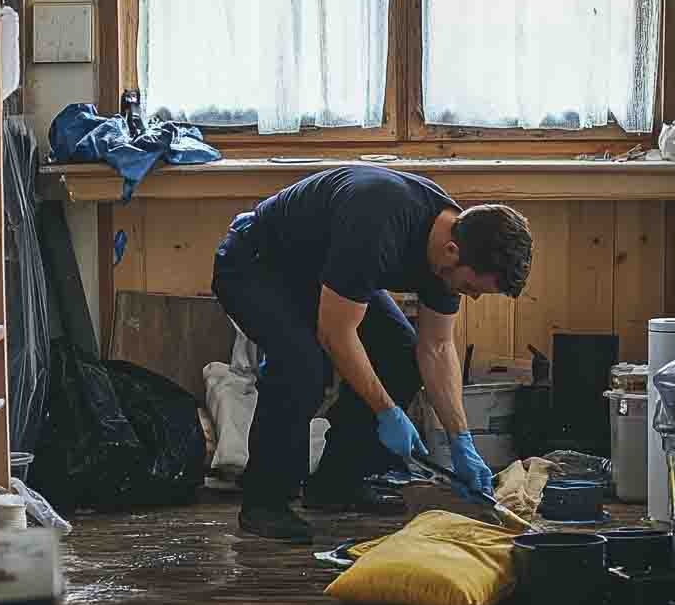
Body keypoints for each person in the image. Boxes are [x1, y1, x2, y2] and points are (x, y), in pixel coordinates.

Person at [211, 165, 533, 542]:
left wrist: (460, 440)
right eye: (470, 287)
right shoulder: (375, 220)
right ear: (452, 252)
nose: (470, 296)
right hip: (255, 263)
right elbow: (336, 335)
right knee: (303, 366)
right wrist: (387, 411)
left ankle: (335, 483)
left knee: (401, 355)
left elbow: (437, 347)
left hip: (322, 274)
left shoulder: (456, 247)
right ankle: (264, 501)